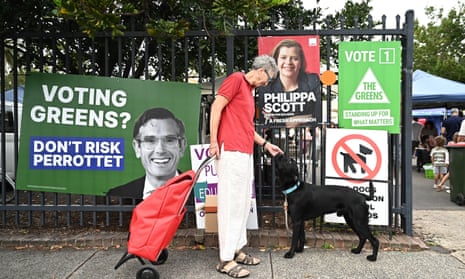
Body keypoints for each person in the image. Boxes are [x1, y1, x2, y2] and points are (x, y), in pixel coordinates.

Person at [208, 55, 283, 278]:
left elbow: (247, 128)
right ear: (261, 70)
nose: (266, 83)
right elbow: (216, 107)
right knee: (231, 204)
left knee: (241, 204)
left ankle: (236, 249)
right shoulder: (236, 79)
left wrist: (266, 144)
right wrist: (213, 142)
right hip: (230, 150)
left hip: (244, 152)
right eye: (268, 79)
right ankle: (225, 259)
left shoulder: (249, 93)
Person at [106, 107, 187, 200]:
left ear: (182, 146)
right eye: (150, 141)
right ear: (137, 147)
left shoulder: (199, 193)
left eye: (169, 140)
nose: (160, 150)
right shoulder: (117, 195)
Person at [257, 39, 321, 128]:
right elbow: (265, 121)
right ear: (276, 61)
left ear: (301, 62)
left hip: (306, 137)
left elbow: (318, 117)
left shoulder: (312, 81)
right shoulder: (266, 86)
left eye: (294, 58)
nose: (288, 62)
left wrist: (281, 121)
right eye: (283, 57)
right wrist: (302, 118)